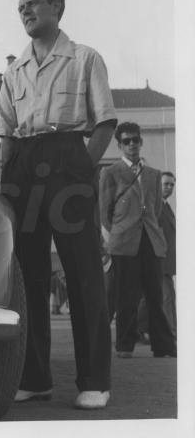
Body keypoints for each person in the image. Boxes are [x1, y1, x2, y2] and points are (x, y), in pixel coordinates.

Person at [0, 0, 116, 409]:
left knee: (82, 274)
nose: (25, 11)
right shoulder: (13, 71)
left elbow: (104, 122)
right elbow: (4, 131)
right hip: (23, 165)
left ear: (57, 7)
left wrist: (82, 168)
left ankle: (94, 380)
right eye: (20, 6)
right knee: (26, 278)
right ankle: (35, 377)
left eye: (32, 4)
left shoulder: (85, 58)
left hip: (69, 161)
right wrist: (5, 182)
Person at [99, 122, 176, 359]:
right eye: (126, 141)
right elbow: (105, 211)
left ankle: (163, 346)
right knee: (126, 296)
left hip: (151, 241)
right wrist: (119, 233)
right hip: (124, 242)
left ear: (141, 142)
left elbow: (153, 209)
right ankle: (124, 345)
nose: (132, 144)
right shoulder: (110, 173)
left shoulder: (153, 174)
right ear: (119, 145)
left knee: (155, 295)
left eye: (135, 140)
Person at [159, 171, 176, 336]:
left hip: (168, 262)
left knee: (169, 296)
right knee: (167, 298)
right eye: (166, 184)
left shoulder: (166, 206)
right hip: (160, 260)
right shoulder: (155, 206)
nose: (169, 187)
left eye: (172, 184)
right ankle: (170, 333)